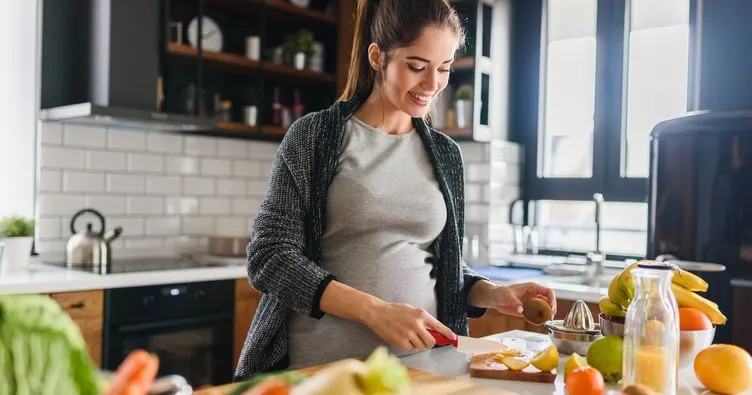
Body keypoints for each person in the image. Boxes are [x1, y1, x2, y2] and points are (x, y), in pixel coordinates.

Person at [233, 0, 557, 380]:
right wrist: (376, 311)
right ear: (377, 56)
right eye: (416, 67)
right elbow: (270, 258)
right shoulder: (315, 137)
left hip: (423, 368)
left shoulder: (445, 154)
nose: (432, 84)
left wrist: (493, 294)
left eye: (444, 68)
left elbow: (440, 266)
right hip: (325, 371)